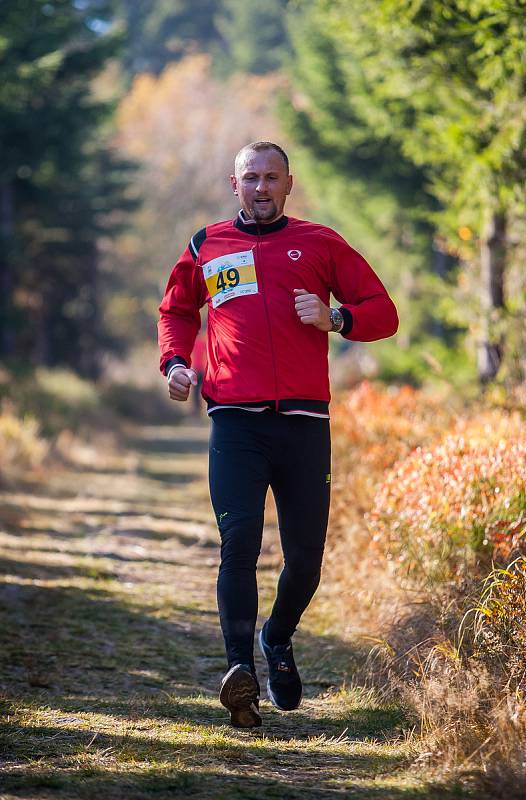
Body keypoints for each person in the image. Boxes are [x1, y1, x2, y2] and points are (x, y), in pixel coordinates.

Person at [158, 141, 399, 728]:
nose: (260, 187)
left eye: (271, 178)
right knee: (237, 543)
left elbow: (383, 311)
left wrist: (336, 317)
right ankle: (239, 673)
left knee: (306, 562)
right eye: (250, 178)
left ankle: (276, 637)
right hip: (235, 422)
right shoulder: (206, 244)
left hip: (303, 423)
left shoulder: (321, 243)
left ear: (289, 183)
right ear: (232, 185)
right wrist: (175, 363)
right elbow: (177, 310)